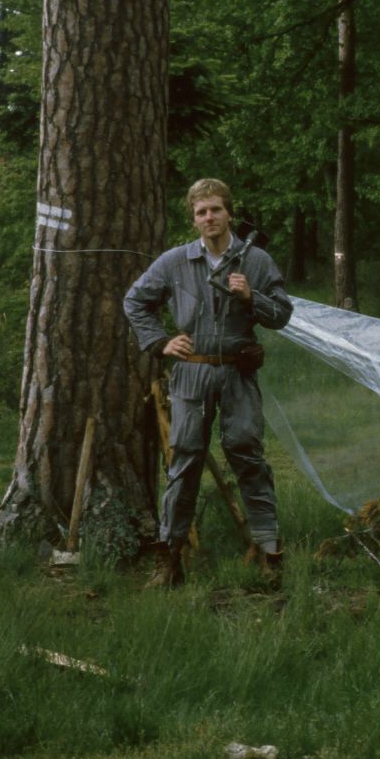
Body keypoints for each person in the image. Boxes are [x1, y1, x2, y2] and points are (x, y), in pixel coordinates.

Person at [124, 178, 294, 586]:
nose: (209, 217)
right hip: (192, 372)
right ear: (194, 219)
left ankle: (270, 554)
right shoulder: (175, 261)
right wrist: (161, 342)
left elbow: (283, 314)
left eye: (216, 209)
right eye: (201, 212)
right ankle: (170, 559)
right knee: (184, 461)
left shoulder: (256, 260)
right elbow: (135, 301)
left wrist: (252, 297)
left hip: (238, 371)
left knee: (247, 454)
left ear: (229, 213)